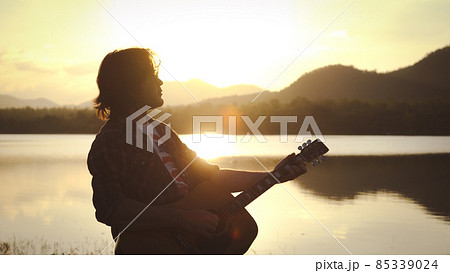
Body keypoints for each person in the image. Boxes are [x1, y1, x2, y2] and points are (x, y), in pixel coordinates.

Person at [87, 47, 307, 254]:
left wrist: (272, 176)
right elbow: (111, 208)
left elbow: (210, 176)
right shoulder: (110, 142)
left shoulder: (162, 131)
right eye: (152, 76)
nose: (160, 81)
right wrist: (182, 219)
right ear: (132, 86)